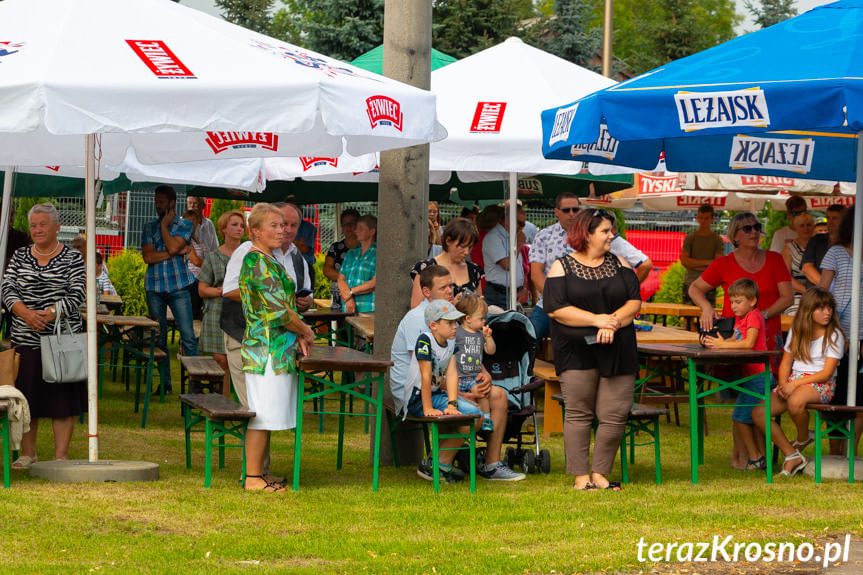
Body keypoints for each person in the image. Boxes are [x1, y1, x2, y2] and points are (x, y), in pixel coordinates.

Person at [390, 264, 525, 481]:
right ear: (426, 292)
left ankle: (491, 464)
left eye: (451, 286)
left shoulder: (449, 317)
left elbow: (455, 356)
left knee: (498, 395)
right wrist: (459, 396)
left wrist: (485, 372)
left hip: (445, 384)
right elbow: (424, 371)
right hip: (416, 391)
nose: (450, 291)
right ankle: (436, 463)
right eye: (443, 287)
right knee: (471, 413)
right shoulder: (421, 319)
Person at [543, 208, 642, 491]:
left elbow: (634, 302)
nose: (612, 235)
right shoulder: (562, 266)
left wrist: (612, 324)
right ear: (586, 234)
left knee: (615, 412)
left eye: (611, 230)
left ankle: (600, 474)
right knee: (578, 412)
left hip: (618, 346)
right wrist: (596, 320)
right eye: (606, 231)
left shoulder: (621, 264)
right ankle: (580, 476)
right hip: (576, 349)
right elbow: (556, 309)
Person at [1, 202, 86, 469]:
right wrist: (26, 313)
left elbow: (79, 294)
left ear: (57, 227)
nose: (37, 229)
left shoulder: (73, 258)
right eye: (34, 225)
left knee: (63, 398)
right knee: (26, 397)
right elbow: (7, 289)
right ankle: (28, 454)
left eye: (43, 224)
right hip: (24, 340)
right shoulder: (19, 256)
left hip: (62, 341)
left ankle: (60, 457)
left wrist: (50, 313)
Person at [239, 203, 315, 492]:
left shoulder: (268, 259)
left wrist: (298, 334)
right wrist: (306, 330)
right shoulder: (256, 261)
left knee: (267, 413)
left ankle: (259, 474)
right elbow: (278, 311)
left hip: (276, 348)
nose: (282, 230)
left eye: (283, 225)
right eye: (274, 225)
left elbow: (284, 307)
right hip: (265, 350)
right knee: (261, 414)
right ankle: (253, 478)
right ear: (255, 230)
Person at [753, 287, 846, 476]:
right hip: (793, 381)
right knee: (758, 412)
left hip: (820, 384)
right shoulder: (797, 331)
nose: (827, 312)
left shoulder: (834, 335)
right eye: (820, 308)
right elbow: (786, 362)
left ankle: (803, 437)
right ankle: (791, 454)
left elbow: (827, 373)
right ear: (808, 311)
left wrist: (794, 385)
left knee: (796, 401)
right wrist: (783, 383)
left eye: (829, 308)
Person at [689, 212, 793, 359]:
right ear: (735, 236)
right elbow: (694, 288)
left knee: (767, 380)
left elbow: (788, 298)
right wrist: (706, 307)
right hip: (733, 338)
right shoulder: (723, 263)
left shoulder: (775, 259)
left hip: (767, 335)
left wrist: (762, 316)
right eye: (747, 229)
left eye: (756, 227)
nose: (754, 232)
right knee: (731, 380)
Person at [406, 299, 483, 483]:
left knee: (476, 416)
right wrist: (427, 409)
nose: (455, 327)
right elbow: (425, 377)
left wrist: (452, 404)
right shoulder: (425, 340)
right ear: (433, 325)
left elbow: (452, 375)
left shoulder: (450, 343)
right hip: (418, 398)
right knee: (474, 417)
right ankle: (441, 464)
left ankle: (436, 463)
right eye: (449, 323)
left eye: (456, 322)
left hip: (435, 395)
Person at [701, 278, 771, 471]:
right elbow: (732, 339)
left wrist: (723, 345)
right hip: (750, 378)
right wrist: (715, 343)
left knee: (740, 418)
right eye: (732, 302)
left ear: (753, 301)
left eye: (738, 302)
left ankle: (756, 458)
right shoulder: (740, 320)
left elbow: (748, 343)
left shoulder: (754, 316)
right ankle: (757, 457)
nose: (733, 306)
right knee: (742, 418)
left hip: (758, 377)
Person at [141, 184, 199, 394]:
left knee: (188, 337)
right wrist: (174, 252)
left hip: (179, 287)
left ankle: (194, 386)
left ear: (172, 203)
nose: (157, 205)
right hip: (154, 287)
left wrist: (165, 227)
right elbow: (148, 257)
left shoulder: (185, 225)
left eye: (161, 202)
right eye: (156, 201)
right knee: (160, 338)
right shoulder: (148, 227)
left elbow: (174, 246)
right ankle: (165, 385)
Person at [817, 208, 863, 456]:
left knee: (861, 397)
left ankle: (851, 454)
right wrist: (831, 327)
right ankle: (835, 452)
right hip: (840, 334)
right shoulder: (836, 252)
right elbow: (822, 291)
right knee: (837, 395)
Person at [197, 209, 246, 398]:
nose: (239, 229)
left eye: (242, 226)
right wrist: (222, 291)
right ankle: (225, 404)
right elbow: (202, 289)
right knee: (221, 360)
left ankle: (242, 403)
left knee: (240, 360)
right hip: (216, 312)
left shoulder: (249, 255)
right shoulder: (213, 257)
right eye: (234, 225)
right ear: (223, 229)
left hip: (241, 314)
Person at [529, 192, 580, 341]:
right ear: (556, 211)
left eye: (575, 209)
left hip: (582, 305)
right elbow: (536, 274)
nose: (571, 214)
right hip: (549, 303)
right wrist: (556, 299)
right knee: (528, 338)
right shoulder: (544, 236)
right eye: (566, 210)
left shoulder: (590, 235)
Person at [410, 217, 484, 308]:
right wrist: (451, 307)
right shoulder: (425, 268)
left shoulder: (474, 270)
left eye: (470, 247)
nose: (466, 252)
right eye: (462, 246)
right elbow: (417, 308)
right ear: (448, 240)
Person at [454, 294, 496, 431]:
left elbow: (491, 351)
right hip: (458, 376)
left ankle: (486, 419)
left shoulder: (480, 334)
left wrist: (488, 338)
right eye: (481, 319)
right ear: (468, 319)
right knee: (463, 401)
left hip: (474, 376)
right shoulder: (457, 333)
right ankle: (464, 422)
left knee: (482, 394)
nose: (484, 322)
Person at [482, 204, 525, 308]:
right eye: (520, 223)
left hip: (514, 293)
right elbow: (507, 265)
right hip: (498, 293)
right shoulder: (493, 237)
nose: (521, 227)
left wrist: (523, 288)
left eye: (524, 224)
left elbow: (519, 268)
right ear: (507, 219)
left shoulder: (512, 236)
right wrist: (518, 245)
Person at [681, 204, 724, 306]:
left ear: (712, 219)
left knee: (708, 317)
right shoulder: (690, 238)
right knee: (687, 317)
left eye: (706, 218)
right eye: (701, 217)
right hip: (690, 282)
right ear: (697, 218)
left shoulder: (717, 239)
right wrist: (708, 263)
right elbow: (685, 261)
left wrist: (694, 264)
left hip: (709, 283)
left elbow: (718, 264)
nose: (703, 221)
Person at [338, 214, 377, 313]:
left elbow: (376, 282)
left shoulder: (379, 253)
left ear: (372, 232)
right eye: (356, 228)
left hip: (369, 309)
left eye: (360, 228)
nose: (356, 231)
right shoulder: (351, 253)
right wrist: (348, 299)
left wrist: (350, 292)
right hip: (348, 308)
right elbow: (341, 278)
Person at [323, 208, 360, 310]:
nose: (349, 227)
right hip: (339, 297)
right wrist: (343, 281)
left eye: (352, 223)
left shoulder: (367, 247)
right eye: (345, 224)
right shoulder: (335, 247)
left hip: (362, 296)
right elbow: (327, 269)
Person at [800, 204, 846, 286]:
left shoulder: (852, 242)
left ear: (845, 220)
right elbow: (807, 268)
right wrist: (828, 289)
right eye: (828, 218)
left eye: (834, 218)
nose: (830, 222)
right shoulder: (816, 240)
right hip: (819, 295)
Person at [782, 212, 816, 314]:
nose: (806, 228)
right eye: (802, 225)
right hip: (796, 292)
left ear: (813, 227)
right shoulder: (788, 248)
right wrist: (806, 291)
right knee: (796, 313)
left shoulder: (820, 244)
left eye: (809, 225)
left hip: (819, 291)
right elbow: (786, 277)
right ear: (796, 228)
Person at [181, 208, 209, 320]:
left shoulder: (197, 239)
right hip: (191, 281)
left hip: (201, 280)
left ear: (198, 222)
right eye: (188, 220)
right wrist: (209, 264)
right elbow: (195, 260)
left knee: (199, 314)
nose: (191, 223)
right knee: (193, 315)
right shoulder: (185, 239)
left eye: (194, 220)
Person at [291, 202, 318, 283]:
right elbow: (280, 247)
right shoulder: (280, 226)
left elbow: (305, 249)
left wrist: (290, 243)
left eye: (296, 208)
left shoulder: (309, 227)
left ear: (301, 210)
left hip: (305, 266)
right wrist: (296, 243)